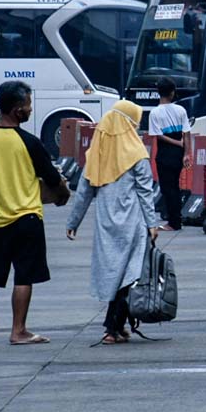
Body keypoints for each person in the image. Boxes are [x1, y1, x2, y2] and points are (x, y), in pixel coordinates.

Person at [0, 80, 69, 346]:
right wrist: (62, 196)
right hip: (26, 217)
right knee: (24, 276)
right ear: (17, 110)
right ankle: (18, 331)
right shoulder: (30, 143)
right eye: (27, 105)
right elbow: (52, 179)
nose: (29, 110)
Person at [65, 101, 160, 344]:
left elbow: (84, 191)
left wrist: (73, 222)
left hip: (106, 223)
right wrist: (152, 223)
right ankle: (112, 327)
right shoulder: (136, 152)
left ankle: (116, 326)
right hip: (133, 221)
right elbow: (145, 191)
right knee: (129, 275)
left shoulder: (96, 153)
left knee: (115, 273)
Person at [148, 77, 192, 232]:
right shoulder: (181, 110)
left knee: (168, 188)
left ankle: (173, 222)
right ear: (172, 93)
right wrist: (186, 152)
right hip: (178, 153)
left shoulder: (155, 113)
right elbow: (186, 132)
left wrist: (177, 144)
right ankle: (175, 219)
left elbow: (158, 135)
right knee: (175, 185)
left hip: (165, 152)